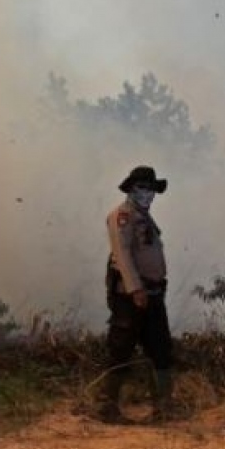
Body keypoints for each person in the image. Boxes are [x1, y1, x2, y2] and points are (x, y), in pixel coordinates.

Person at [96, 165, 177, 424]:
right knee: (121, 348)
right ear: (131, 188)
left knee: (161, 349)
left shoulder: (144, 217)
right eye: (143, 187)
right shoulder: (122, 216)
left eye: (151, 189)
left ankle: (163, 408)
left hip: (153, 293)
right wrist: (136, 289)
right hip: (131, 296)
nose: (148, 193)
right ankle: (108, 407)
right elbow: (122, 254)